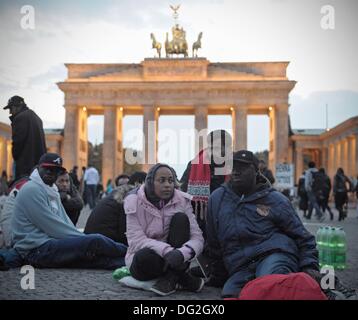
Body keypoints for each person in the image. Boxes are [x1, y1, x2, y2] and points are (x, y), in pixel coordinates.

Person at [205, 150, 319, 298]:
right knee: (230, 294)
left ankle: (321, 289)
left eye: (243, 168)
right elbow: (214, 243)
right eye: (233, 167)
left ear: (256, 171)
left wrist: (309, 266)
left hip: (273, 255)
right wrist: (219, 276)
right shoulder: (217, 199)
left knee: (268, 285)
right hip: (241, 267)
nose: (236, 172)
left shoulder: (276, 199)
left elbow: (303, 236)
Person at [10, 153, 127, 269]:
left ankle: (132, 263)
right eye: (47, 168)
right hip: (34, 250)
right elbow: (52, 225)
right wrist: (83, 239)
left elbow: (64, 221)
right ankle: (131, 252)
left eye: (56, 170)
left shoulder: (51, 190)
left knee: (95, 259)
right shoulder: (32, 189)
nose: (51, 172)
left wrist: (81, 238)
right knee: (95, 241)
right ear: (38, 168)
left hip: (45, 247)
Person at [124, 163, 204, 296]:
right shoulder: (133, 201)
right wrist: (167, 251)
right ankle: (181, 278)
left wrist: (183, 253)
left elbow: (197, 237)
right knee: (144, 256)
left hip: (176, 257)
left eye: (171, 181)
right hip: (148, 259)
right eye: (161, 180)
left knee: (181, 219)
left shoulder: (182, 201)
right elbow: (136, 240)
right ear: (150, 182)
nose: (167, 185)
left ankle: (171, 278)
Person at [180, 130, 232, 235]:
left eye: (217, 148)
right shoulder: (194, 164)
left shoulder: (236, 164)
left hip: (229, 217)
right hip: (199, 220)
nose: (213, 151)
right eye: (211, 147)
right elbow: (182, 192)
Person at [84, 171, 147, 245]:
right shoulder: (130, 198)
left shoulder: (119, 194)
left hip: (94, 243)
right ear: (138, 184)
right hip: (103, 247)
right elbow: (126, 233)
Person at [3, 96, 46, 180]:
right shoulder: (37, 118)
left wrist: (15, 156)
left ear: (17, 107)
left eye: (10, 109)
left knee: (20, 187)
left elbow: (18, 143)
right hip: (38, 165)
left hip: (25, 165)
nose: (10, 112)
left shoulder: (19, 118)